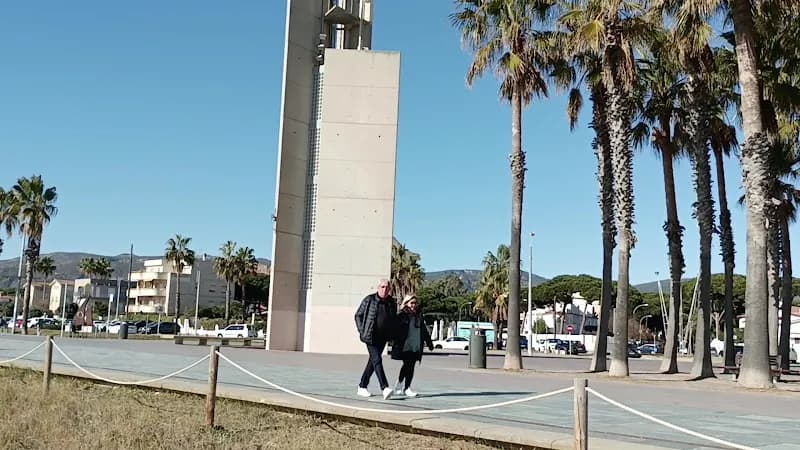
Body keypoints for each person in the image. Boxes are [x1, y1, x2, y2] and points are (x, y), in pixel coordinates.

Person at [354, 278, 397, 399]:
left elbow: (393, 320)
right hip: (370, 336)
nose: (385, 289)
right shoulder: (369, 300)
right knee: (377, 360)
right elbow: (358, 315)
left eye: (387, 287)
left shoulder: (391, 302)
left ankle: (362, 386)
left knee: (373, 362)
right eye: (382, 287)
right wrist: (362, 330)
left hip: (383, 337)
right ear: (378, 288)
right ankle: (384, 387)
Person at [391, 294, 433, 398]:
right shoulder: (402, 315)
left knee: (410, 366)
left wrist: (429, 342)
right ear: (407, 303)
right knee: (407, 365)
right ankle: (405, 387)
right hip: (405, 344)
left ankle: (402, 385)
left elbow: (423, 329)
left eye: (415, 303)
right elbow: (395, 329)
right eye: (411, 303)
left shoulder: (418, 315)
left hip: (416, 344)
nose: (413, 305)